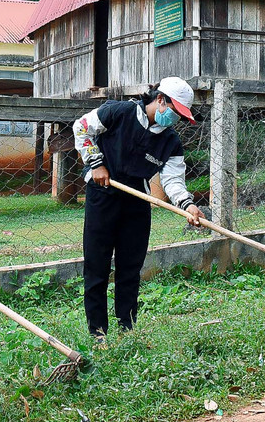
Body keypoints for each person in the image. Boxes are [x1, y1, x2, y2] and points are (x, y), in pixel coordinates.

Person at [73, 76, 202, 341]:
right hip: (102, 194)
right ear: (160, 100)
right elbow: (82, 127)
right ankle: (97, 332)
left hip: (137, 201)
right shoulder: (118, 112)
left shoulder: (170, 142)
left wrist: (187, 204)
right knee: (96, 266)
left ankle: (126, 329)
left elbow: (173, 180)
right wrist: (96, 163)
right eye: (174, 111)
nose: (175, 119)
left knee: (130, 268)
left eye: (180, 116)